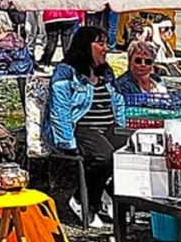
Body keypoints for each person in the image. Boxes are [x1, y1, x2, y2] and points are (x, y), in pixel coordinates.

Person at [42, 26, 126, 229]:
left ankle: (109, 193)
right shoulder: (66, 72)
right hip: (80, 126)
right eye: (100, 43)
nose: (105, 48)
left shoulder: (106, 71)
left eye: (106, 43)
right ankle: (82, 201)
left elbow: (118, 100)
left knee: (134, 151)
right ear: (85, 46)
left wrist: (123, 129)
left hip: (107, 126)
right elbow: (60, 109)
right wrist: (67, 142)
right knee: (102, 157)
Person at [0, 10, 33, 76]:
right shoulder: (16, 36)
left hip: (13, 73)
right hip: (26, 69)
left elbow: (2, 66)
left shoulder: (1, 42)